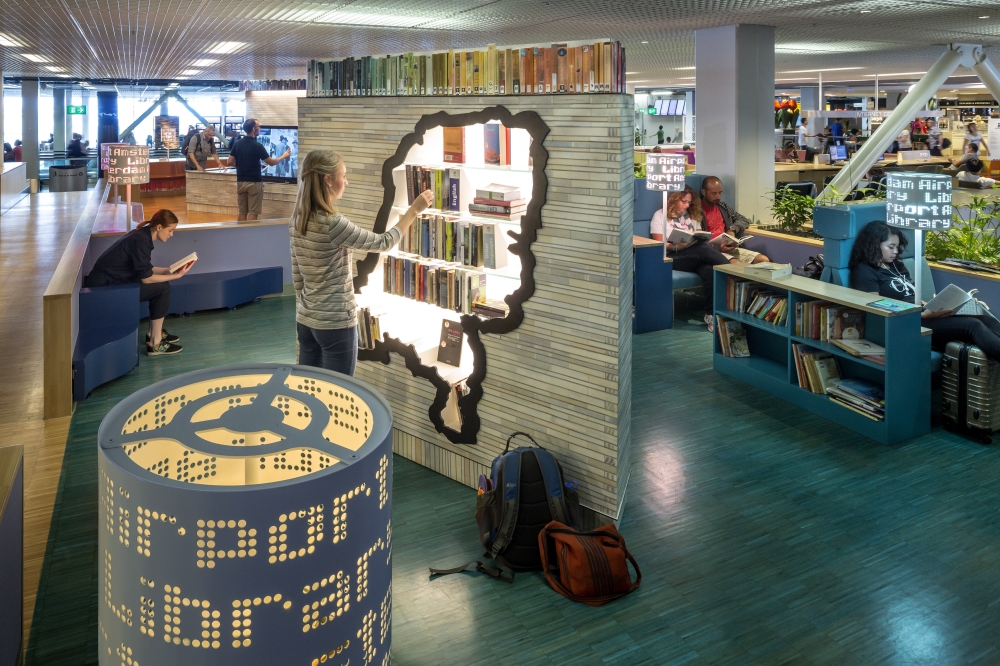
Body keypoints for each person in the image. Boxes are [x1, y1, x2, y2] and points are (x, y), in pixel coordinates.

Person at [289, 149, 434, 375]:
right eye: (343, 176)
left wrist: (312, 308)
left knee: (310, 392)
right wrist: (414, 210)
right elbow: (384, 242)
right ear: (328, 180)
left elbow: (298, 277)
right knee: (339, 396)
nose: (346, 182)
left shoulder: (297, 219)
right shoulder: (333, 224)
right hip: (336, 324)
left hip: (306, 321)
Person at [850, 221, 1000, 359]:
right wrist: (923, 315)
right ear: (875, 244)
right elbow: (875, 310)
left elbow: (911, 295)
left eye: (897, 247)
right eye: (891, 247)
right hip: (907, 324)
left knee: (984, 317)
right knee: (973, 325)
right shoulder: (864, 271)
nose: (896, 251)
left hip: (923, 314)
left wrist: (935, 307)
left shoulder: (896, 265)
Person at [84, 209, 195, 356]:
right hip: (105, 288)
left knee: (161, 286)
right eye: (170, 230)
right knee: (162, 289)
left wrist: (169, 270)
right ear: (159, 227)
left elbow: (146, 269)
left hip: (110, 282)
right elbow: (146, 278)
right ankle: (155, 343)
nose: (171, 234)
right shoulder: (141, 240)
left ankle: (153, 334)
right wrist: (175, 276)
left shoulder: (142, 235)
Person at [651, 186, 732, 331]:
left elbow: (700, 236)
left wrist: (702, 238)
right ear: (674, 200)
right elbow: (659, 243)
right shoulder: (660, 215)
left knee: (709, 269)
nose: (687, 205)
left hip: (695, 255)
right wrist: (677, 247)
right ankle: (733, 270)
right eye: (684, 201)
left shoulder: (691, 216)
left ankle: (710, 315)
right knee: (702, 250)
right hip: (672, 256)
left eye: (689, 202)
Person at [227, 118, 291, 221]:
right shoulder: (257, 146)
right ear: (253, 129)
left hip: (241, 182)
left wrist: (242, 165)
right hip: (254, 183)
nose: (260, 128)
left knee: (242, 212)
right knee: (253, 212)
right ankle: (250, 236)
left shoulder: (237, 144)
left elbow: (229, 162)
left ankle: (240, 235)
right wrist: (284, 156)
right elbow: (271, 162)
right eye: (259, 127)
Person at [700, 176, 770, 264]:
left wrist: (732, 230)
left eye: (720, 193)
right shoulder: (697, 210)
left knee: (763, 260)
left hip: (729, 247)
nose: (718, 197)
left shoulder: (722, 207)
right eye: (714, 194)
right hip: (712, 251)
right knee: (737, 265)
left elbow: (744, 220)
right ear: (704, 192)